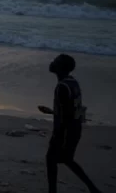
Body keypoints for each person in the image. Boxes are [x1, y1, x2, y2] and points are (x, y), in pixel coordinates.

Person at [38, 54, 101, 193]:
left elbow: (65, 116)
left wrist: (58, 136)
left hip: (65, 131)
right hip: (75, 129)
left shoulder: (61, 87)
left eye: (56, 61)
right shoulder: (73, 82)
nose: (52, 62)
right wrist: (52, 112)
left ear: (61, 68)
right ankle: (93, 188)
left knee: (52, 159)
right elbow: (72, 110)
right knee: (66, 159)